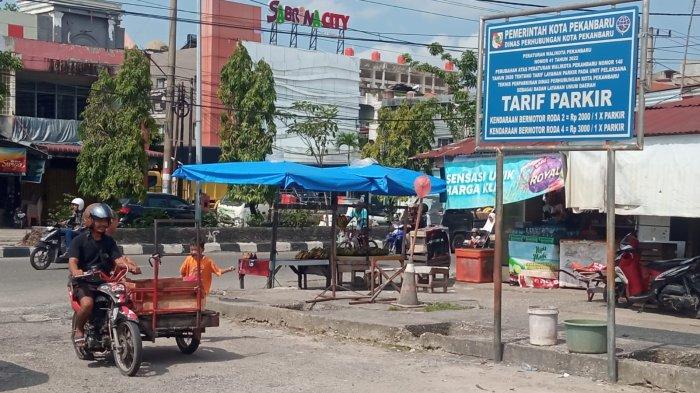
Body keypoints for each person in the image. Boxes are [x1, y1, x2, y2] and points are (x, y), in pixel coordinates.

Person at [68, 203, 141, 345]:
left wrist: (130, 267)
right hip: (84, 281)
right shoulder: (79, 241)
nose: (102, 224)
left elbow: (118, 260)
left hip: (104, 280)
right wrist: (76, 271)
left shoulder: (109, 241)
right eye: (99, 220)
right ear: (90, 221)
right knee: (88, 304)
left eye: (105, 221)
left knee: (122, 298)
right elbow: (73, 261)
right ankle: (79, 329)